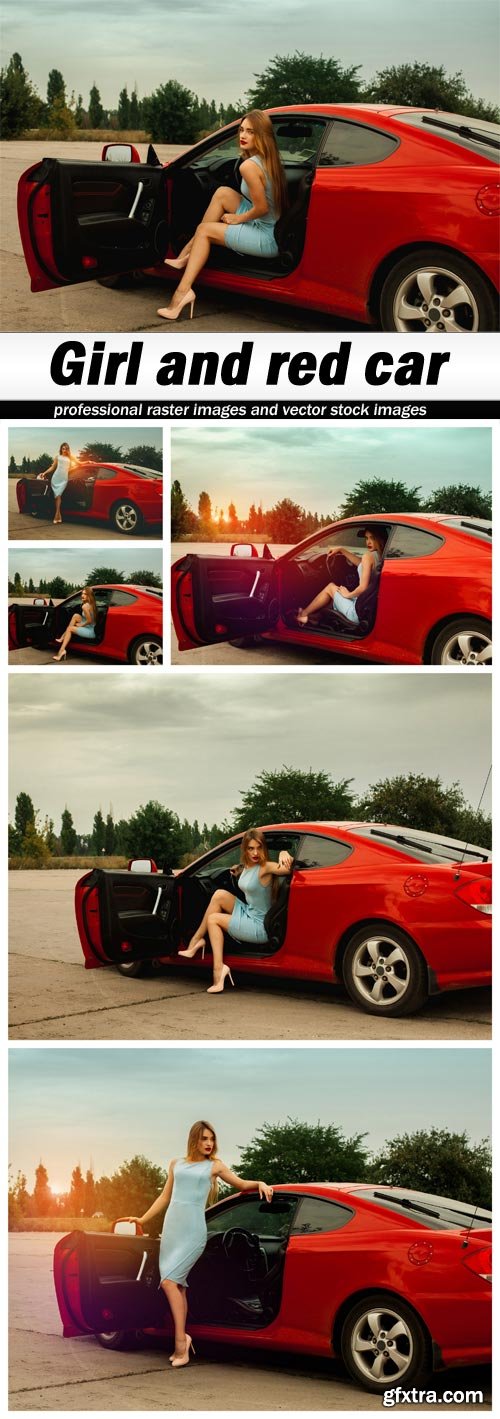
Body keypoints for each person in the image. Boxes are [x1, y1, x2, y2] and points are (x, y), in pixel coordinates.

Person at [123, 1119, 273, 1368]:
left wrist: (260, 1184)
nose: (209, 1143)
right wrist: (143, 1218)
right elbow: (164, 1196)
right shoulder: (176, 1164)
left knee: (169, 1282)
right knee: (178, 1286)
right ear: (194, 1139)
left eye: (211, 1139)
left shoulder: (214, 1166)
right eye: (204, 1138)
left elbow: (241, 1184)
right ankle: (181, 1342)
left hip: (193, 1232)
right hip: (172, 1230)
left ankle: (181, 1343)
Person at [157, 111, 287, 321]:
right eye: (241, 130)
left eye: (250, 132)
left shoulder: (249, 166)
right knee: (222, 193)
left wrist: (237, 219)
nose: (243, 135)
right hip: (272, 224)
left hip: (266, 236)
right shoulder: (268, 159)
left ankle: (181, 294)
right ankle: (185, 254)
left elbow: (261, 207)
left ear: (261, 136)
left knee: (204, 230)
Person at [178, 828, 294, 993]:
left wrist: (283, 853)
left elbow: (286, 870)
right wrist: (238, 870)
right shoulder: (248, 866)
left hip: (259, 926)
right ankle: (196, 941)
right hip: (249, 912)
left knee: (214, 919)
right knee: (218, 895)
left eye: (259, 848)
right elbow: (247, 876)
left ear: (264, 849)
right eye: (250, 848)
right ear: (245, 849)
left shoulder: (265, 867)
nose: (255, 852)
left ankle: (218, 972)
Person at [296, 527, 386, 627]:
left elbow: (363, 588)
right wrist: (341, 550)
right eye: (366, 538)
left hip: (356, 611)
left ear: (379, 539)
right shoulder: (380, 556)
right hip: (365, 606)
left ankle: (303, 615)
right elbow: (361, 564)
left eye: (372, 538)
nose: (368, 542)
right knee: (336, 592)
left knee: (330, 587)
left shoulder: (368, 556)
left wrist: (348, 594)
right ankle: (316, 617)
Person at [52, 587, 98, 662]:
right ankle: (63, 636)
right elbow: (90, 620)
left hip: (90, 631)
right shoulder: (91, 604)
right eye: (82, 593)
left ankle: (61, 651)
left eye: (85, 594)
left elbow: (89, 620)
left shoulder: (85, 606)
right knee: (76, 616)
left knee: (70, 629)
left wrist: (81, 625)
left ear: (89, 595)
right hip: (91, 626)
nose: (82, 596)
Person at [38, 442, 75, 524]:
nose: (65, 450)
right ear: (61, 449)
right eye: (63, 448)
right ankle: (58, 515)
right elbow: (53, 467)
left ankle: (57, 515)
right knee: (57, 497)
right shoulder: (58, 457)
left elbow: (79, 463)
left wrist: (89, 462)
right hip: (56, 478)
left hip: (64, 479)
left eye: (66, 448)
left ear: (68, 449)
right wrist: (44, 473)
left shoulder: (71, 458)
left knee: (58, 495)